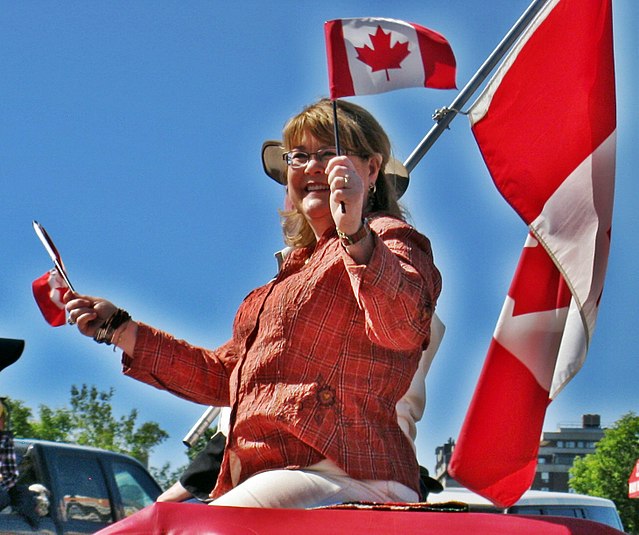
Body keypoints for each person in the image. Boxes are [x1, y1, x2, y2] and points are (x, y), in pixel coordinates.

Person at [65, 98, 442, 509]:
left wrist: (354, 232)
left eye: (330, 153)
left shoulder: (389, 237)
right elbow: (223, 377)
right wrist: (120, 329)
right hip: (278, 480)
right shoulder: (288, 275)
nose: (312, 167)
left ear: (370, 170)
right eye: (299, 156)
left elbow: (403, 325)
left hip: (347, 474)